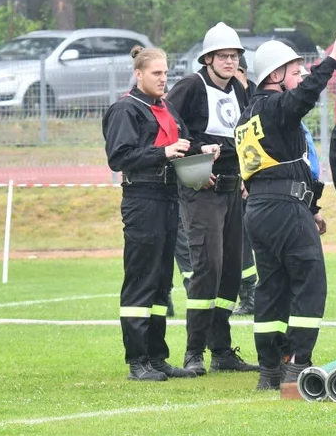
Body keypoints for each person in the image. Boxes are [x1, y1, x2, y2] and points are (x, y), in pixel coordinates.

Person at [235, 25, 336, 389]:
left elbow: (280, 165)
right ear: (274, 76)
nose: (301, 76)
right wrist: (332, 58)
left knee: (272, 288)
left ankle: (270, 369)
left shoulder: (248, 116)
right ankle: (297, 363)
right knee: (310, 283)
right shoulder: (274, 106)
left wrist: (311, 206)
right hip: (284, 208)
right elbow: (303, 97)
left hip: (261, 209)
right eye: (294, 70)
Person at [102, 46, 211, 381]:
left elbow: (181, 143)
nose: (164, 79)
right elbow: (120, 157)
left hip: (168, 197)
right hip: (142, 198)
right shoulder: (125, 109)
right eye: (156, 73)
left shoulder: (165, 108)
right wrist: (164, 151)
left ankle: (157, 357)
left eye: (166, 73)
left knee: (162, 282)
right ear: (139, 74)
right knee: (141, 280)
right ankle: (137, 361)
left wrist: (199, 150)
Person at [165, 22, 257, 376]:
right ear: (208, 59)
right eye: (223, 56)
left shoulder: (240, 90)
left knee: (231, 271)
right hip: (201, 187)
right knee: (209, 267)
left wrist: (249, 176)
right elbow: (171, 124)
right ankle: (193, 351)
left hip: (233, 187)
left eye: (234, 56)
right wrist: (198, 150)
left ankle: (221, 350)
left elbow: (248, 133)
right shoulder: (190, 86)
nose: (230, 61)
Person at [232, 53, 258, 316]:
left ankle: (252, 294)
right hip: (236, 181)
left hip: (254, 181)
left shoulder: (255, 100)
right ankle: (247, 293)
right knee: (240, 242)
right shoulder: (227, 99)